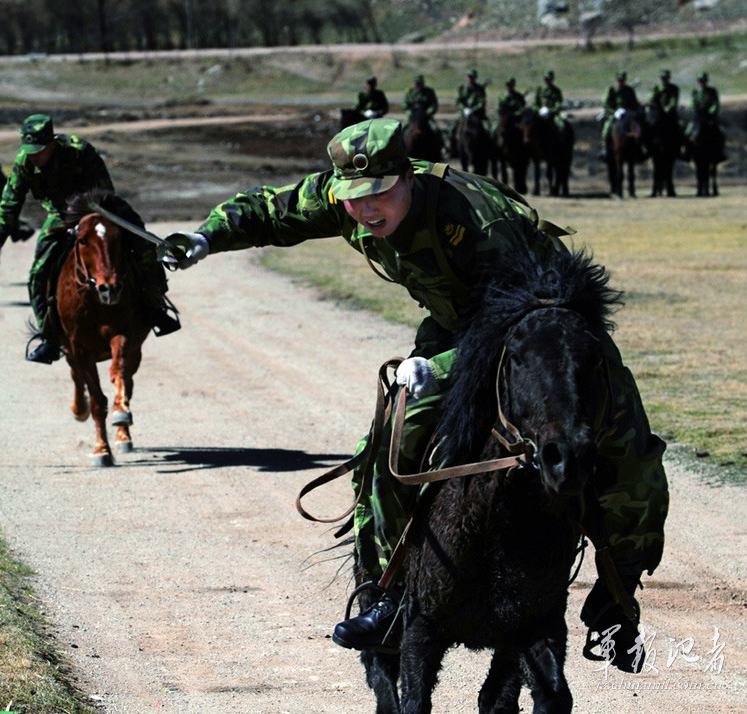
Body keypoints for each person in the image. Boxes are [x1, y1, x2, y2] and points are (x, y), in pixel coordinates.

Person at [159, 118, 669, 668]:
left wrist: (438, 362)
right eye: (354, 199)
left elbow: (515, 325)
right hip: (458, 322)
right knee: (390, 437)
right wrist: (206, 237)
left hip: (548, 331)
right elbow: (274, 209)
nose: (366, 208)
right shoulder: (348, 199)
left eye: (379, 193)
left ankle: (617, 605)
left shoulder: (476, 218)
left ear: (407, 177)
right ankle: (390, 596)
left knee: (626, 454)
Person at [0, 114, 177, 364]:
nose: (34, 157)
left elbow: (105, 193)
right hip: (61, 216)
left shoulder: (80, 151)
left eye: (38, 151)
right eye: (29, 151)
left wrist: (86, 222)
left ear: (52, 145)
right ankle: (49, 337)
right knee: (38, 274)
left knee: (144, 246)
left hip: (101, 210)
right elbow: (8, 205)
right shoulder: (25, 163)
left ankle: (155, 307)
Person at [599, 70, 641, 157]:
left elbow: (634, 103)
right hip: (613, 116)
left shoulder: (629, 90)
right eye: (618, 80)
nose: (620, 82)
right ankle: (605, 149)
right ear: (616, 80)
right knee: (606, 129)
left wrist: (630, 111)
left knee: (638, 128)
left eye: (622, 80)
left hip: (627, 115)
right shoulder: (611, 90)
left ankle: (640, 149)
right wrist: (614, 112)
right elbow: (605, 103)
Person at [685, 71, 725, 159]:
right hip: (698, 116)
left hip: (709, 117)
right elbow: (692, 104)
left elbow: (715, 103)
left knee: (722, 131)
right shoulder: (695, 92)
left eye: (703, 81)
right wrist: (697, 110)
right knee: (687, 132)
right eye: (700, 81)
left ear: (706, 81)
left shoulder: (712, 91)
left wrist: (710, 111)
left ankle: (721, 153)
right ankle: (687, 153)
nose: (701, 83)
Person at [450, 68, 489, 156]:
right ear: (466, 77)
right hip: (464, 115)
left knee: (488, 128)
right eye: (468, 77)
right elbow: (458, 101)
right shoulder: (462, 88)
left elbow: (481, 102)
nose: (470, 78)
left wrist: (473, 109)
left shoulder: (480, 89)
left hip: (477, 115)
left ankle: (489, 150)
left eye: (472, 77)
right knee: (452, 129)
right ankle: (453, 151)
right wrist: (464, 109)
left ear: (475, 77)